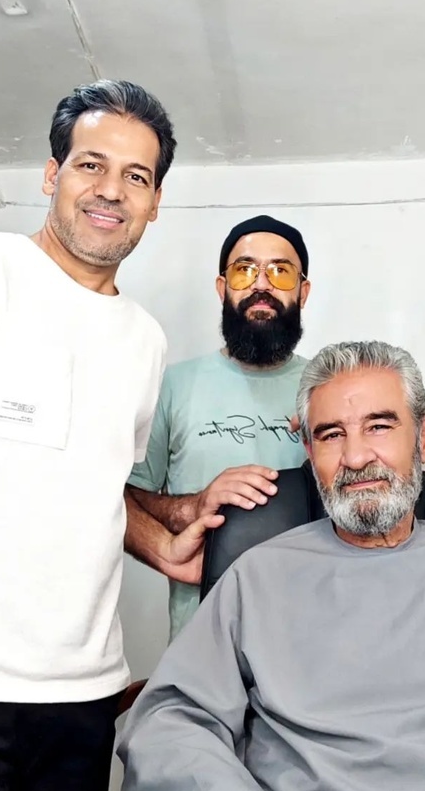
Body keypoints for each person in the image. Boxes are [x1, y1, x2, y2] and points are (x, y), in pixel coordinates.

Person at [0, 79, 224, 791]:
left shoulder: (145, 341)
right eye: (91, 165)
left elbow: (91, 483)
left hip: (83, 702)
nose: (111, 190)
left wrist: (164, 542)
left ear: (155, 201)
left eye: (136, 176)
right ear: (53, 174)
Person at [117, 340, 425, 791]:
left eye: (379, 426)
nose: (356, 456)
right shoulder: (258, 576)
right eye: (331, 434)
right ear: (309, 451)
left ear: (422, 438)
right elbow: (171, 716)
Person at [124, 215, 312, 641]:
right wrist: (193, 507)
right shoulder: (171, 386)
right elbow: (124, 498)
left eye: (280, 272)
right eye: (245, 270)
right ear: (222, 286)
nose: (261, 285)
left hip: (310, 636)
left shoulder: (329, 389)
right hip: (200, 642)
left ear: (303, 291)